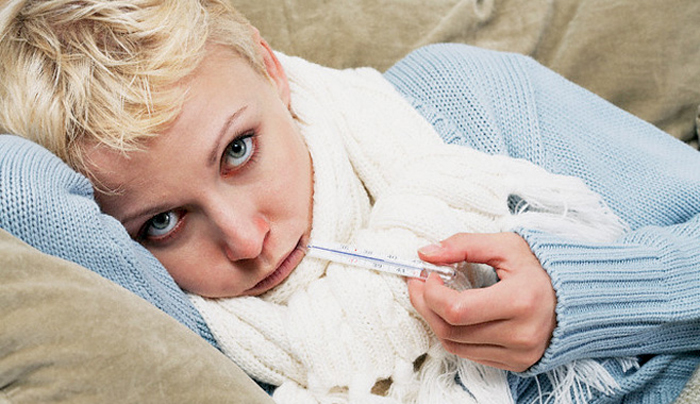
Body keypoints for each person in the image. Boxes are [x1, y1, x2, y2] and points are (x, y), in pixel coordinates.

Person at [1, 0, 699, 403]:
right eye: (163, 221)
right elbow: (17, 191)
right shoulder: (171, 315)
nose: (246, 240)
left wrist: (578, 297)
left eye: (238, 149)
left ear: (270, 69)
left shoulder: (463, 99)